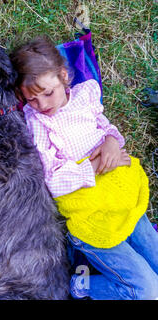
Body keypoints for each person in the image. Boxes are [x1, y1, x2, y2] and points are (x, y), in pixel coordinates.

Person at [10, 36, 158, 300]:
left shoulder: (85, 96)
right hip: (92, 218)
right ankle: (82, 286)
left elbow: (106, 128)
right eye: (31, 100)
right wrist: (95, 166)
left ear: (64, 76)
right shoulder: (39, 125)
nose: (43, 105)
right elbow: (52, 181)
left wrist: (112, 141)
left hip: (123, 201)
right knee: (148, 291)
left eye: (48, 93)